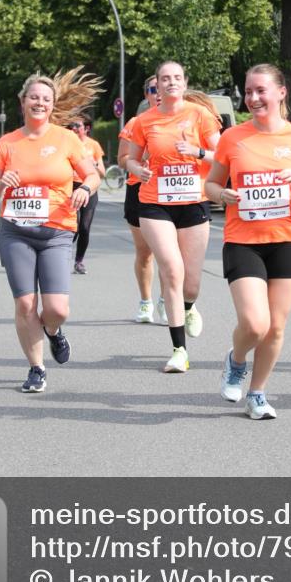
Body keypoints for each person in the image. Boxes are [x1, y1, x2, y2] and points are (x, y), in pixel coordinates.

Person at [205, 64, 291, 419]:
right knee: (255, 323)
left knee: (276, 327)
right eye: (248, 91)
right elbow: (210, 185)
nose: (253, 98)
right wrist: (223, 194)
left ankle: (257, 393)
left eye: (260, 90)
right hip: (243, 240)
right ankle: (236, 360)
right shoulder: (233, 138)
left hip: (288, 241)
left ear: (281, 93)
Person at [0, 69, 101, 393]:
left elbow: (92, 175)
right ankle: (36, 368)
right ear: (23, 102)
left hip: (57, 232)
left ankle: (53, 331)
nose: (39, 103)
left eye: (45, 99)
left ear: (52, 104)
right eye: (34, 97)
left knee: (57, 309)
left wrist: (85, 190)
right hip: (16, 232)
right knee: (24, 304)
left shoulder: (66, 139)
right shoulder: (6, 144)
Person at [126, 61, 221, 372]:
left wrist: (196, 153)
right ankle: (179, 349)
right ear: (157, 85)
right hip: (155, 202)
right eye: (164, 79)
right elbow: (130, 158)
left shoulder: (200, 115)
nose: (170, 83)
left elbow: (222, 155)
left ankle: (189, 306)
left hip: (193, 202)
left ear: (184, 82)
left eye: (176, 78)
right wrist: (137, 169)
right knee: (171, 267)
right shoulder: (145, 120)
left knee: (191, 283)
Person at [117, 75, 167, 324]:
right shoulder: (136, 122)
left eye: (162, 88)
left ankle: (166, 299)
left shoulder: (183, 120)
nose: (158, 93)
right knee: (145, 252)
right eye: (152, 89)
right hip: (139, 189)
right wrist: (139, 163)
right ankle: (146, 301)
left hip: (170, 190)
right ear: (146, 95)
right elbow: (122, 158)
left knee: (169, 253)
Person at [68, 113, 106, 274]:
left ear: (87, 128)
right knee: (72, 226)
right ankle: (60, 254)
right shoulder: (67, 143)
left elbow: (102, 173)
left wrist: (94, 164)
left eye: (78, 125)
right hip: (70, 186)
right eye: (72, 126)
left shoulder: (93, 145)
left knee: (84, 227)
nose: (74, 129)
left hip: (89, 188)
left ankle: (79, 261)